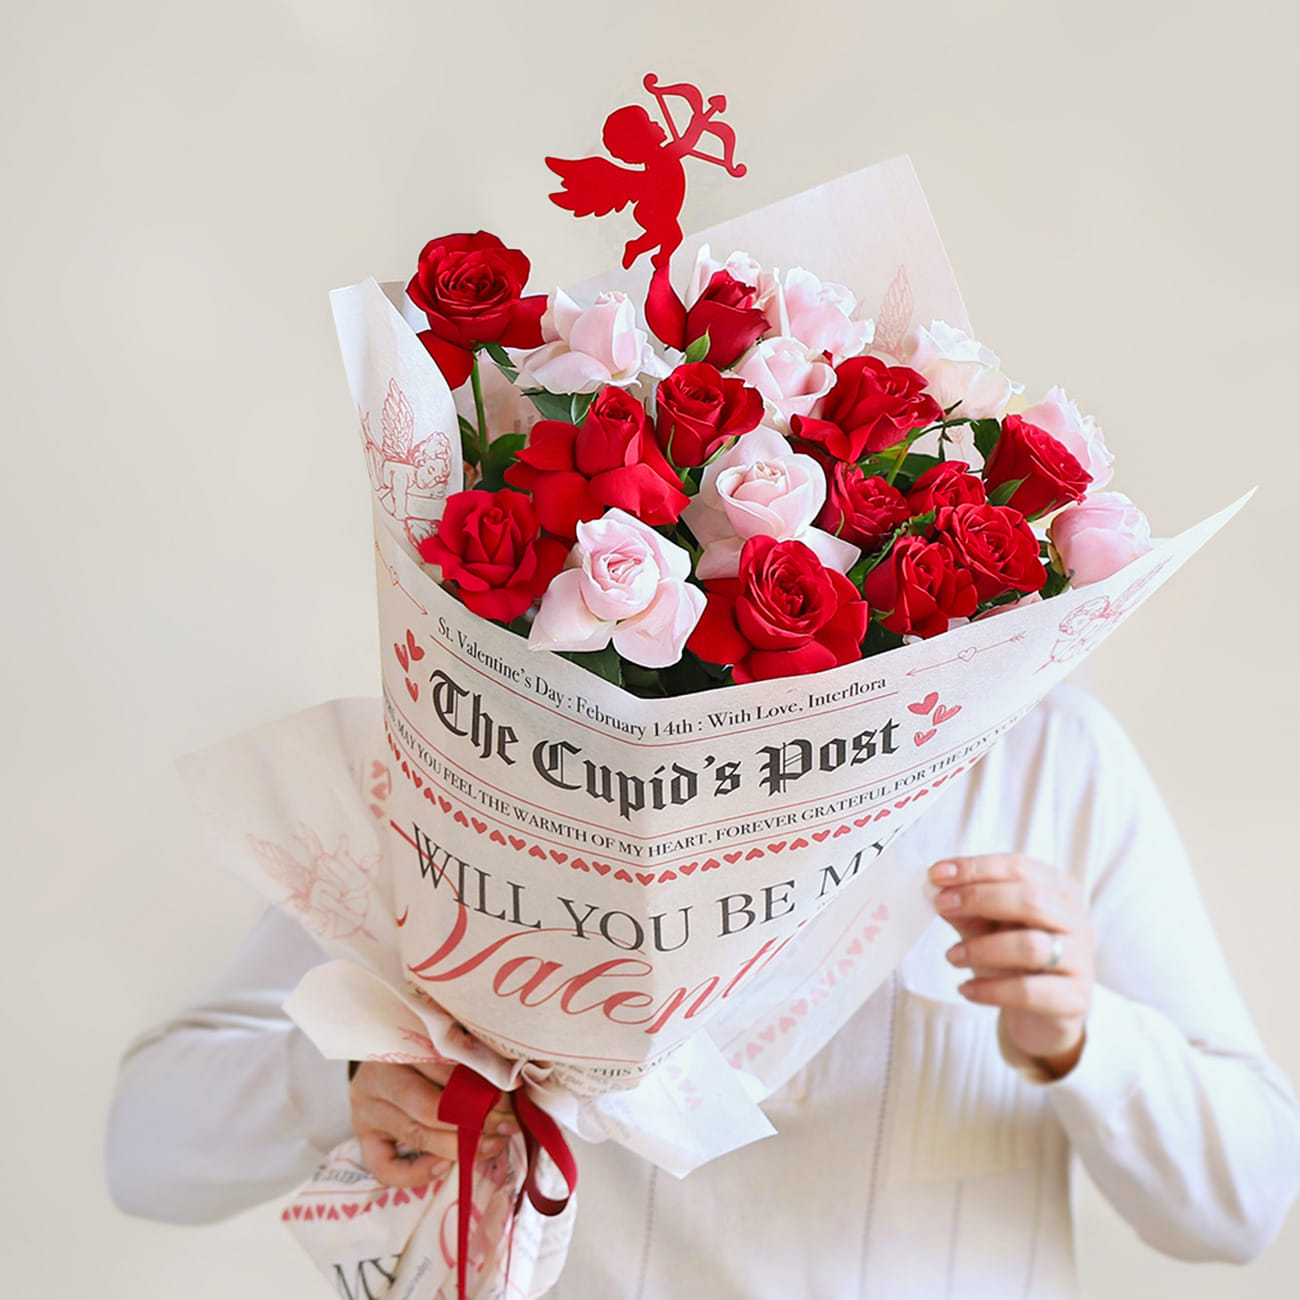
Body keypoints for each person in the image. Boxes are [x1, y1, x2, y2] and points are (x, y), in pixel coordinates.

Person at [106, 685, 1300, 1298]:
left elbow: (1241, 1207)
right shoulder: (487, 785)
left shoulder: (1045, 762)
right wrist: (362, 1062)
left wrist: (1090, 1039)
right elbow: (146, 1149)